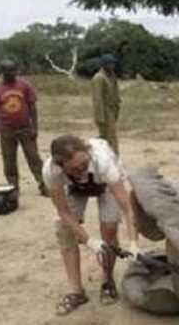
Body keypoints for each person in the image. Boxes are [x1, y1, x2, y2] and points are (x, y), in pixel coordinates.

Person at [43, 135, 140, 316]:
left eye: (84, 163)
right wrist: (89, 241)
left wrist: (133, 242)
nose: (81, 169)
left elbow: (126, 206)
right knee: (64, 232)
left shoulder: (102, 161)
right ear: (60, 166)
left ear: (88, 153)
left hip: (104, 184)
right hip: (74, 188)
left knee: (109, 229)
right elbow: (63, 212)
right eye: (74, 168)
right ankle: (76, 291)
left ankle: (108, 280)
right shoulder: (51, 171)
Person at [0, 59, 47, 196]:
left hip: (26, 129)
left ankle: (44, 185)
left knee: (34, 158)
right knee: (9, 161)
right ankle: (13, 188)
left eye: (14, 70)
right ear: (2, 72)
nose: (12, 73)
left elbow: (32, 107)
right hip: (6, 130)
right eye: (8, 71)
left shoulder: (25, 86)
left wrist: (35, 127)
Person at [92, 54, 121, 155]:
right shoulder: (99, 78)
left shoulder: (112, 76)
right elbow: (97, 99)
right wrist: (100, 118)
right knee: (108, 139)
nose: (112, 66)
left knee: (112, 137)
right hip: (104, 112)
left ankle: (113, 158)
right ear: (104, 65)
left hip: (112, 111)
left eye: (113, 63)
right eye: (109, 64)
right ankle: (111, 159)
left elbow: (115, 93)